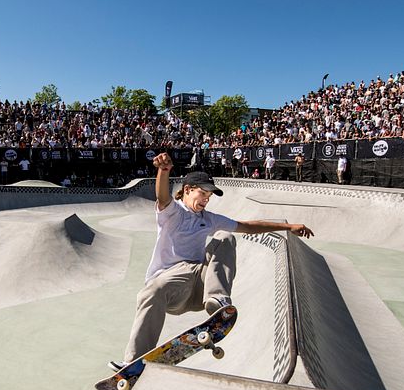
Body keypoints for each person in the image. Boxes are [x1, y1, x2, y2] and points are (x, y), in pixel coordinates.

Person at [107, 153, 314, 371]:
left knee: (225, 237)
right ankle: (132, 363)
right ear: (187, 190)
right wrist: (164, 171)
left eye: (209, 196)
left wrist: (287, 227)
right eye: (202, 193)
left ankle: (217, 300)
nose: (206, 199)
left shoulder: (210, 219)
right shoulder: (173, 213)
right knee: (151, 290)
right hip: (170, 288)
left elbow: (247, 226)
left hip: (198, 288)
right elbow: (162, 196)